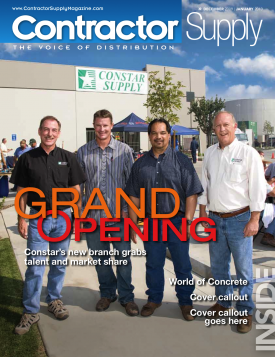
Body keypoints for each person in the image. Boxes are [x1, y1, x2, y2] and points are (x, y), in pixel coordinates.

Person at [10, 116, 86, 335]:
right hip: (38, 218)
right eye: (46, 129)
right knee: (35, 265)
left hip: (63, 217)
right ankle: (31, 310)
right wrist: (21, 218)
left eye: (54, 130)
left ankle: (54, 300)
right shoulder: (27, 158)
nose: (49, 133)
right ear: (40, 131)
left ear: (58, 133)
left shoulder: (68, 157)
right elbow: (22, 190)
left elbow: (76, 189)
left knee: (59, 263)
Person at [125, 118, 203, 320]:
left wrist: (188, 221)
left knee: (183, 265)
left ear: (169, 135)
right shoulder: (140, 164)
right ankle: (154, 299)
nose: (158, 137)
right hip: (151, 222)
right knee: (153, 263)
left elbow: (191, 193)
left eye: (162, 133)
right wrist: (133, 223)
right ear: (149, 136)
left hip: (176, 221)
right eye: (154, 133)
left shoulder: (182, 162)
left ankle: (186, 303)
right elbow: (133, 195)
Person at [198, 111, 266, 334]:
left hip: (240, 220)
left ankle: (245, 309)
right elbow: (204, 185)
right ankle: (224, 302)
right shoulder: (209, 153)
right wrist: (202, 214)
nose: (222, 129)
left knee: (244, 269)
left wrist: (254, 219)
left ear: (235, 126)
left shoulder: (248, 153)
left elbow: (258, 188)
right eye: (218, 126)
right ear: (214, 129)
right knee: (218, 267)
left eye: (226, 125)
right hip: (214, 219)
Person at [77, 109, 139, 316]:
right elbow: (78, 188)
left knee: (123, 259)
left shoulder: (124, 151)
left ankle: (127, 297)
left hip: (119, 218)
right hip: (93, 218)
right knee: (100, 259)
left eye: (105, 125)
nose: (102, 129)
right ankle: (107, 293)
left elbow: (132, 186)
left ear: (112, 126)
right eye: (98, 125)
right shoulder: (83, 152)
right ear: (93, 126)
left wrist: (131, 217)